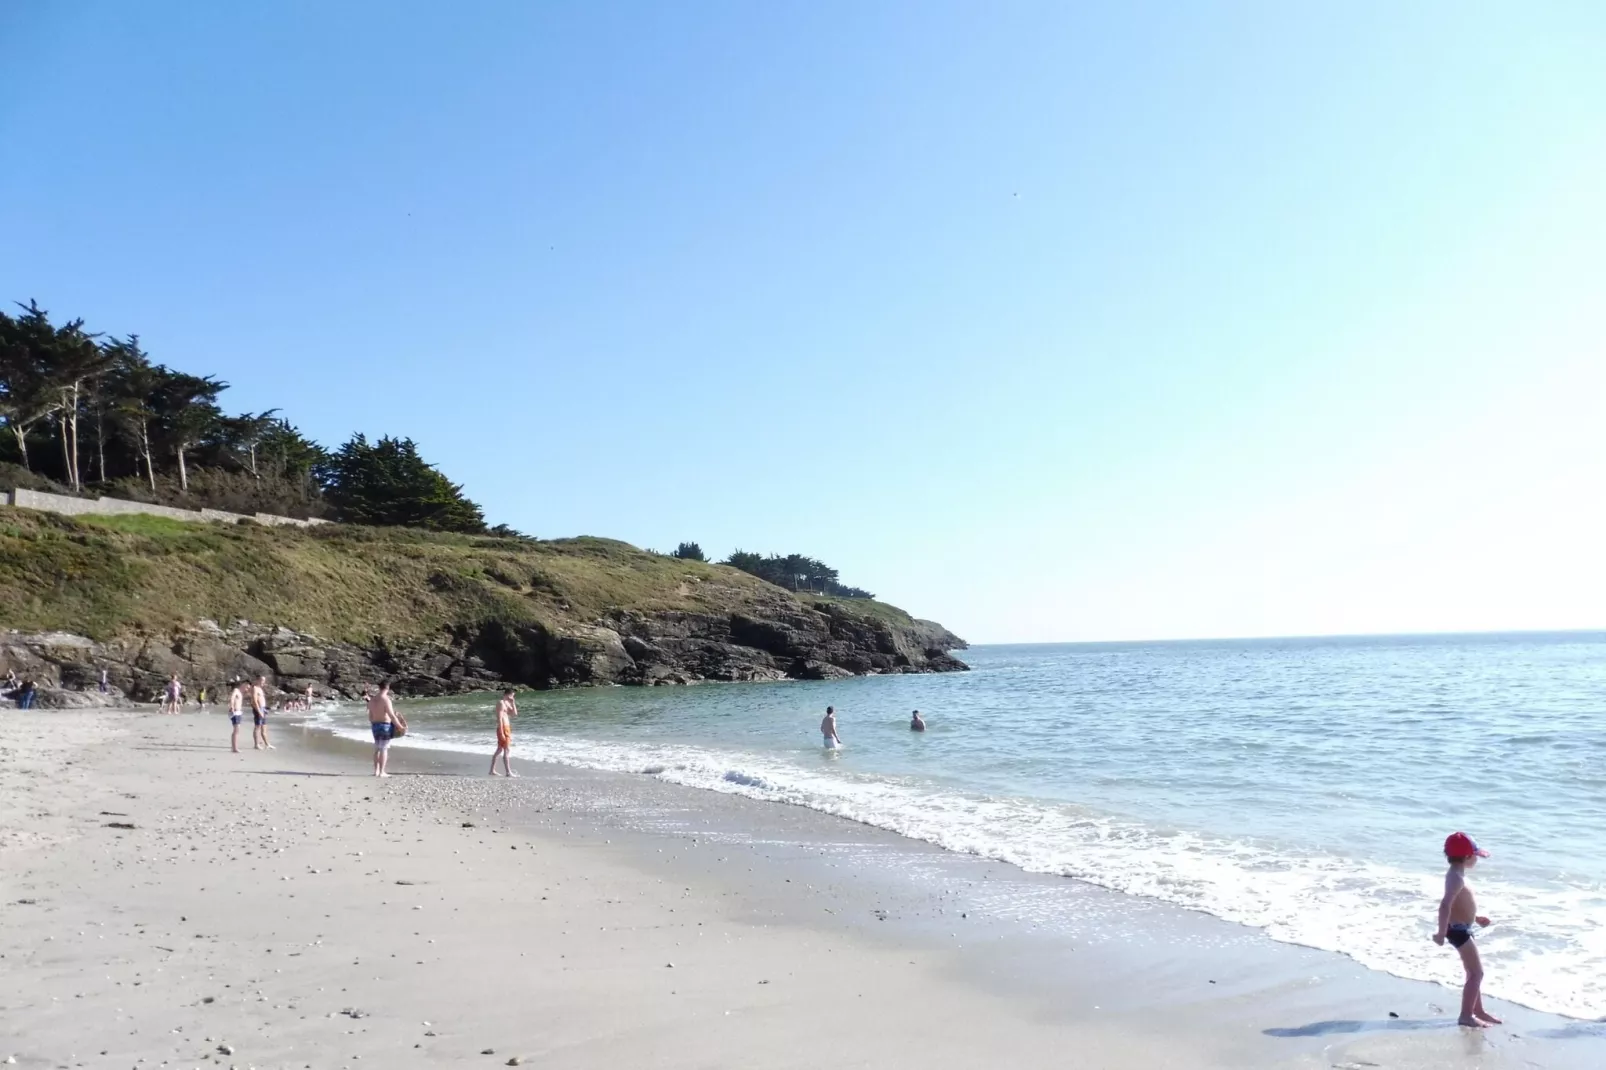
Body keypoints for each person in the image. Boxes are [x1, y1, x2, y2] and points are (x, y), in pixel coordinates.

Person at [1433, 831, 1499, 1028]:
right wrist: (1441, 932)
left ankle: (1477, 1010)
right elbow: (1445, 905)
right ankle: (1466, 1015)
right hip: (1458, 930)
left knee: (1472, 972)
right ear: (1468, 856)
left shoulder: (1458, 875)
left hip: (1463, 927)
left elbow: (1459, 903)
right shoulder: (1455, 878)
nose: (1476, 860)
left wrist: (1476, 917)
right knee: (1476, 973)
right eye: (1476, 856)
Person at [368, 680, 400, 777]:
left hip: (375, 725)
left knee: (377, 748)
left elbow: (370, 716)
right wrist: (400, 726)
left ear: (379, 687)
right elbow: (391, 715)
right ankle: (382, 772)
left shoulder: (372, 700)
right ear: (388, 688)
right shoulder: (386, 699)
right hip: (385, 725)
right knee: (384, 749)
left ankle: (376, 771)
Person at [489, 688, 518, 777]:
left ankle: (492, 770)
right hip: (503, 728)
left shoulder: (507, 703)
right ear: (507, 694)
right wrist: (501, 732)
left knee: (500, 749)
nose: (513, 697)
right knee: (506, 749)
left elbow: (514, 714)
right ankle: (508, 772)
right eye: (512, 695)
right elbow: (499, 718)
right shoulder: (501, 703)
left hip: (507, 727)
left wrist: (513, 702)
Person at [250, 675, 272, 750]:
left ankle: (267, 744)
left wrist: (264, 710)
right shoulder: (255, 688)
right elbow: (254, 701)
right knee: (257, 727)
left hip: (263, 709)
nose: (263, 682)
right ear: (257, 680)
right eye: (262, 680)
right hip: (258, 709)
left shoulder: (260, 689)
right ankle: (256, 744)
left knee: (264, 727)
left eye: (264, 680)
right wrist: (259, 711)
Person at [226, 680, 245, 753]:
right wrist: (232, 707)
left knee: (237, 730)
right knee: (236, 730)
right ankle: (234, 748)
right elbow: (232, 698)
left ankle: (234, 747)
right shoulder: (236, 690)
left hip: (238, 712)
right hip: (235, 712)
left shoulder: (239, 691)